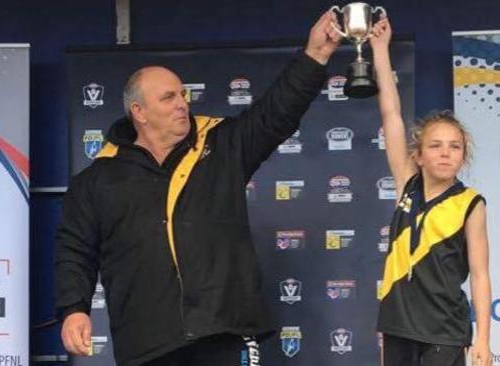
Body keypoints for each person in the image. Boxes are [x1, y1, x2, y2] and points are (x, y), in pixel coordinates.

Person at [54, 10, 341, 366]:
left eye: (182, 95)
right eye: (169, 98)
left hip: (221, 332)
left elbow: (275, 114)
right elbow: (75, 251)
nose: (182, 104)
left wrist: (316, 55)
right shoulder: (97, 179)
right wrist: (74, 309)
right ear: (139, 112)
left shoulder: (221, 145)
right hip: (146, 343)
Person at [370, 18, 492, 366]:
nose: (444, 152)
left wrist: (483, 338)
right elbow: (391, 112)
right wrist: (380, 50)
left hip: (444, 331)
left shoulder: (471, 204)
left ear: (463, 156)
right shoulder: (407, 183)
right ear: (418, 155)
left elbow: (480, 274)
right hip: (396, 325)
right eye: (435, 145)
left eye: (454, 147)